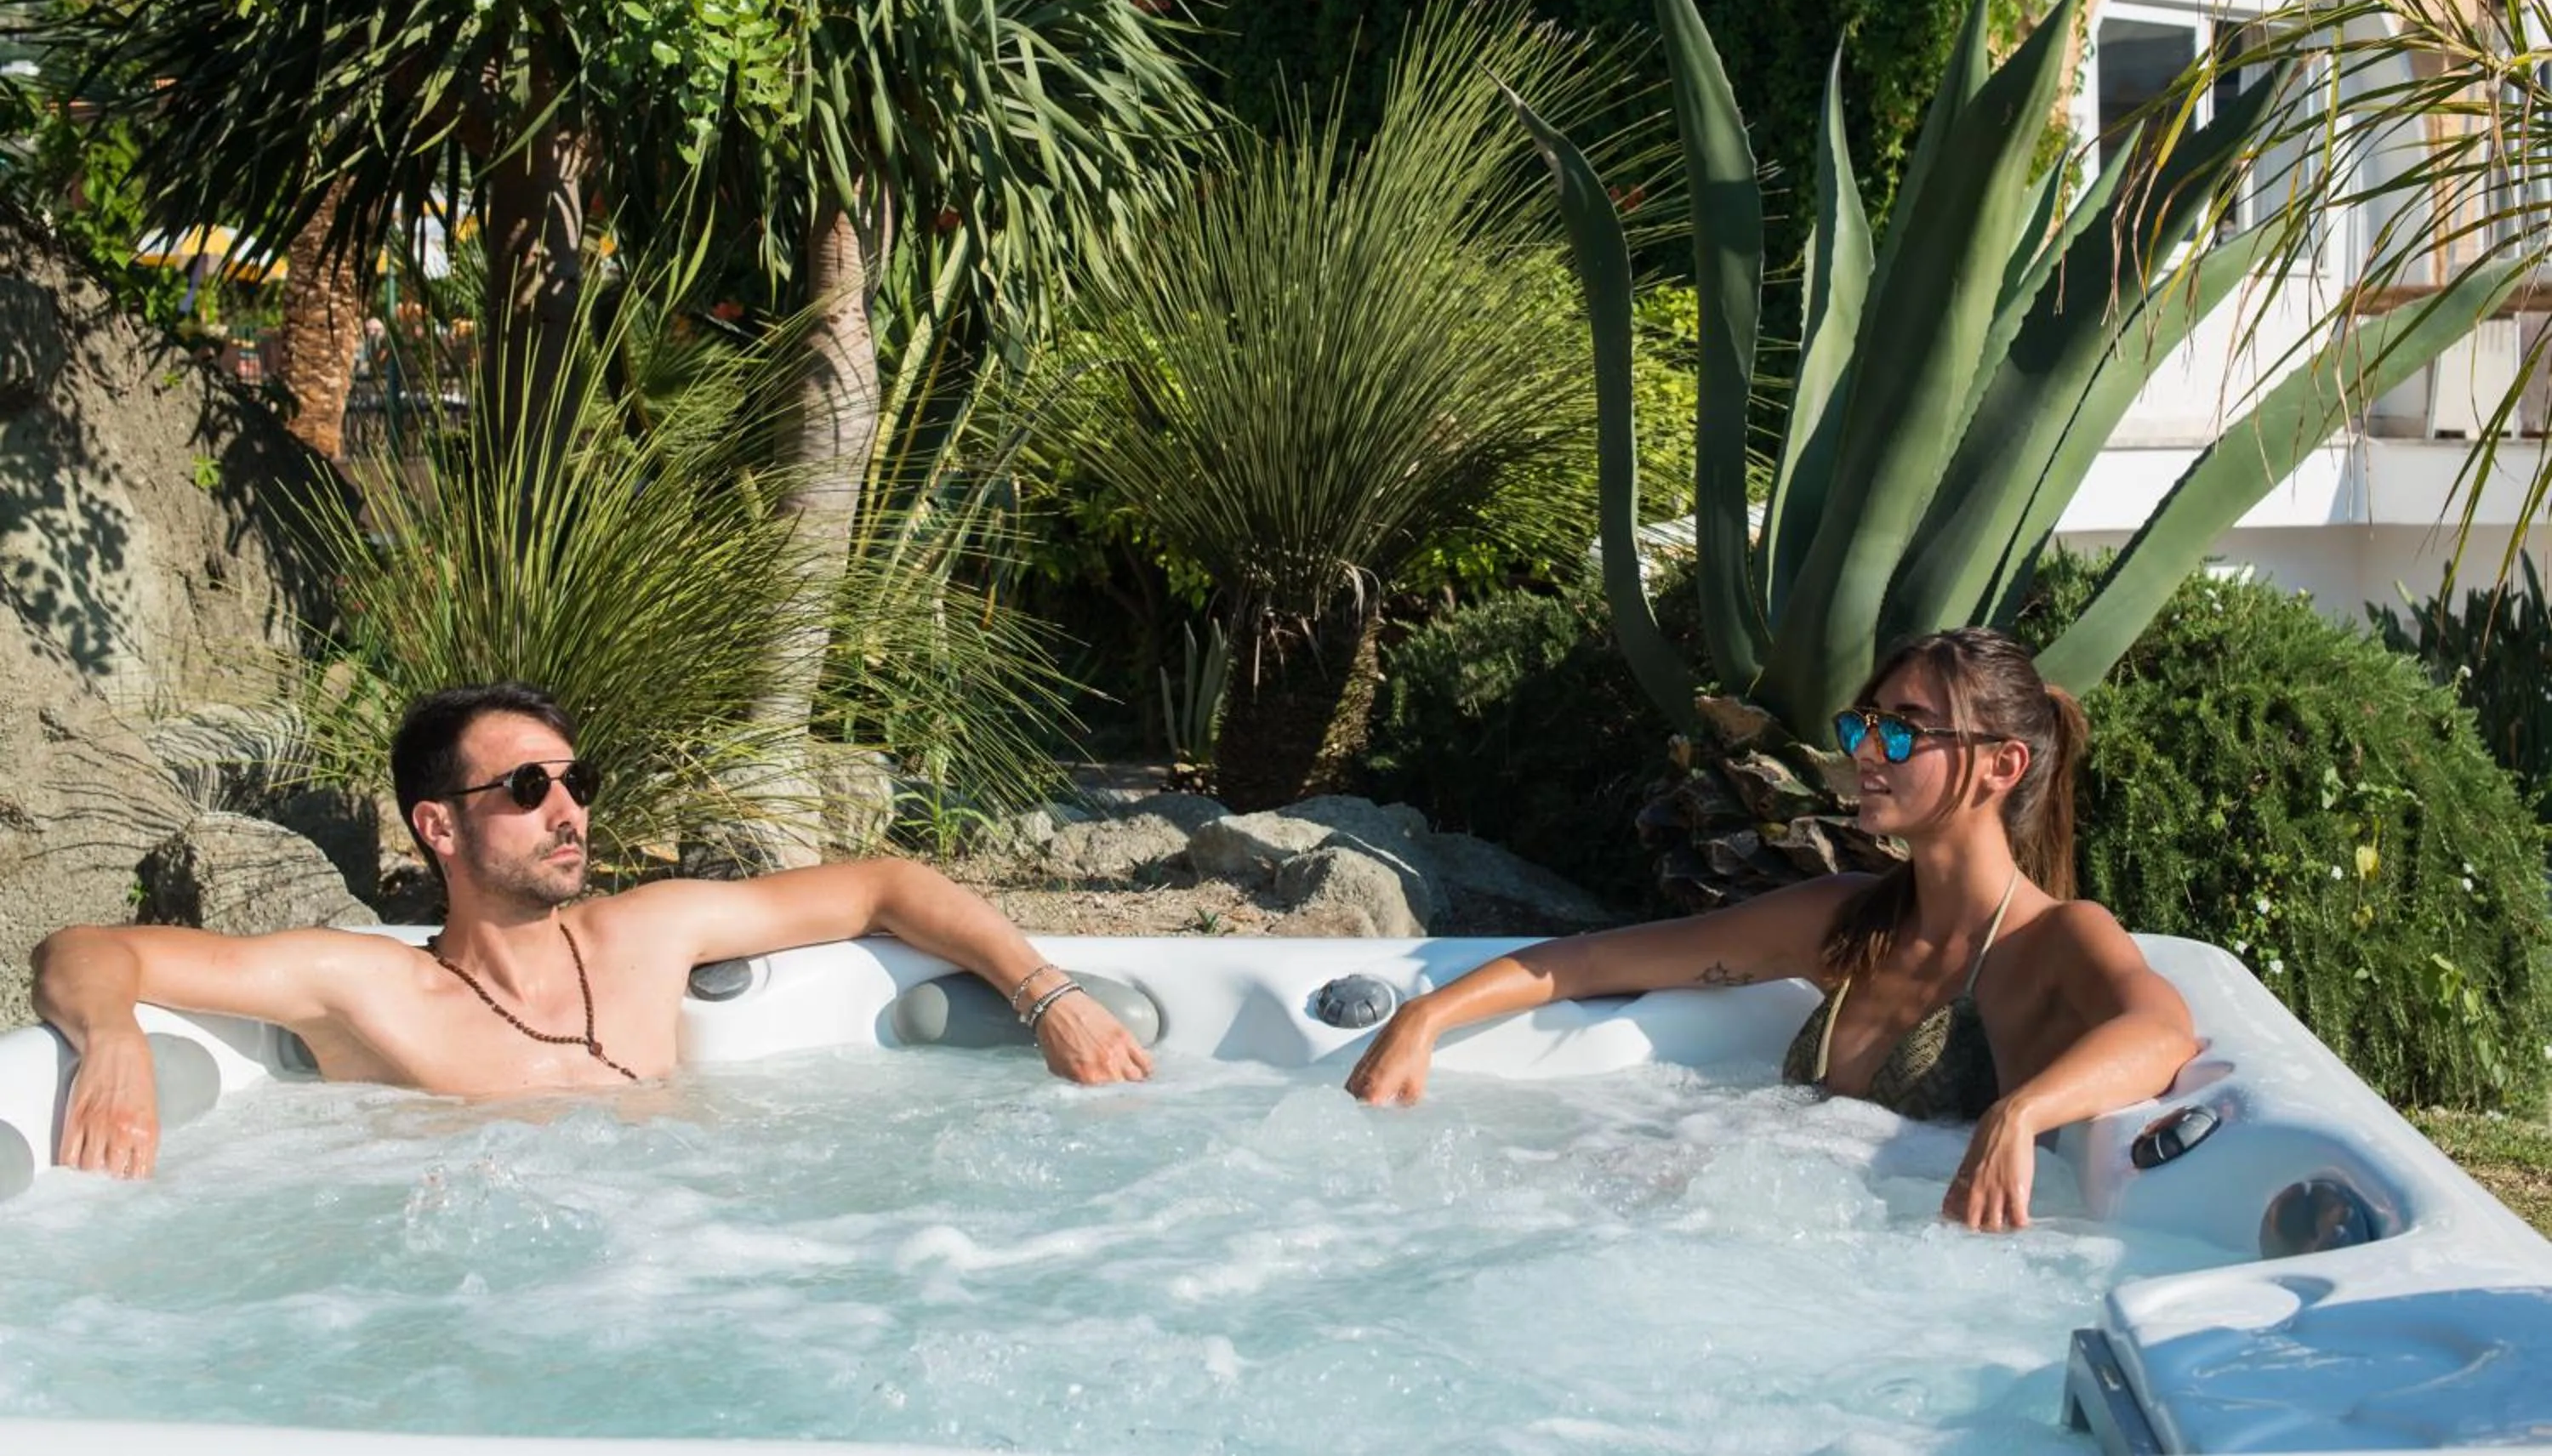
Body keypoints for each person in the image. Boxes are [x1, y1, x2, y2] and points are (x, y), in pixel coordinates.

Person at [36, 682, 1153, 1180]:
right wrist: (117, 1036)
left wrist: (1047, 992)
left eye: (578, 780)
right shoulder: (367, 986)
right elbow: (88, 949)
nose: (568, 809)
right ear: (440, 826)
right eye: (527, 786)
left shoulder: (644, 935)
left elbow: (885, 885)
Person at [1345, 627, 2197, 1231]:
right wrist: (1426, 1017)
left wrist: (2019, 1113)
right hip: (1759, 1243)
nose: (1868, 750)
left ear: (2002, 765)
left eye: (1901, 730)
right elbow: (1599, 958)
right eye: (1863, 724)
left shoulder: (2051, 942)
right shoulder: (1844, 920)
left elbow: (2161, 1030)